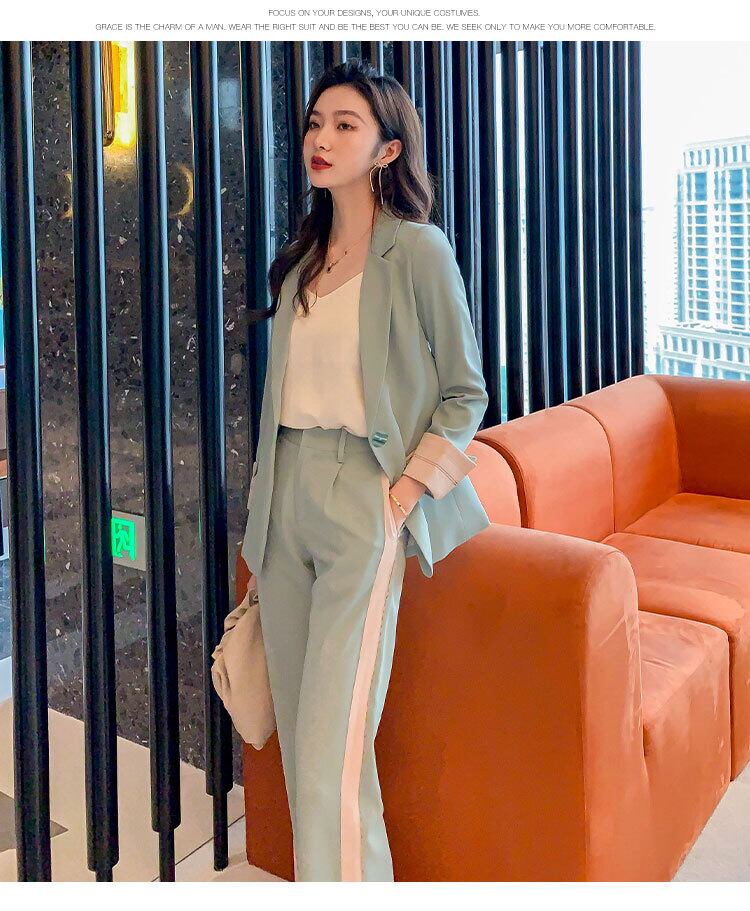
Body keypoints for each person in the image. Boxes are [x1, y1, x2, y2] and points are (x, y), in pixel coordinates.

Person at [241, 57, 490, 882]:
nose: (322, 137)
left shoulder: (416, 251)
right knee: (308, 746)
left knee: (329, 752)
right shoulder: (301, 260)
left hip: (364, 497)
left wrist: (404, 495)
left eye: (345, 125)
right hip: (284, 498)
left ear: (387, 150)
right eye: (316, 122)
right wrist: (261, 519)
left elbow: (466, 391)